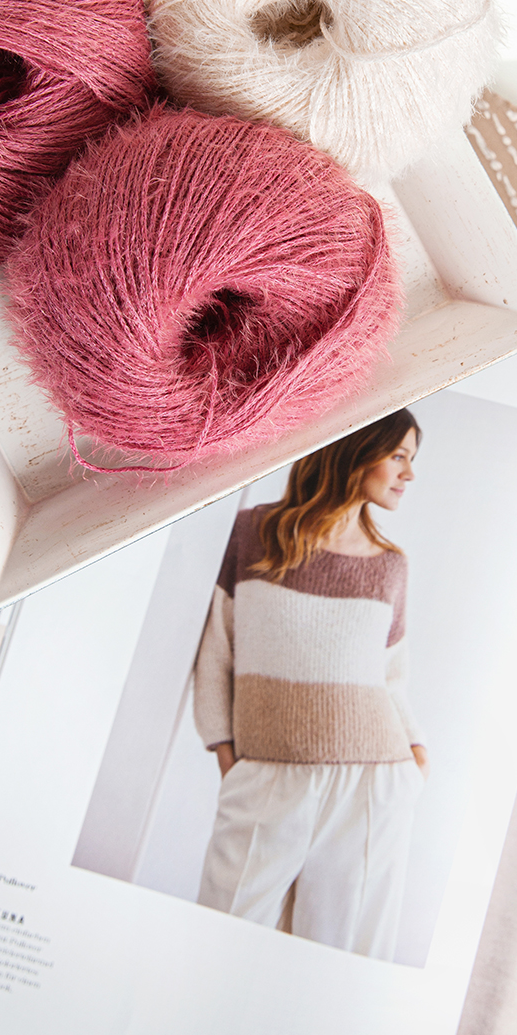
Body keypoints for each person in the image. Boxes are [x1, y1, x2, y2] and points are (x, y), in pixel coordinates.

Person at [193, 409, 427, 961]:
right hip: (265, 775)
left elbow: (391, 676)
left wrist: (416, 754)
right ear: (355, 449)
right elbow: (216, 652)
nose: (409, 474)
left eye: (412, 459)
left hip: (372, 784)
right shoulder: (253, 534)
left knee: (337, 962)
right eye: (398, 456)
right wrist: (228, 757)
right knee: (216, 942)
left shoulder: (390, 567)